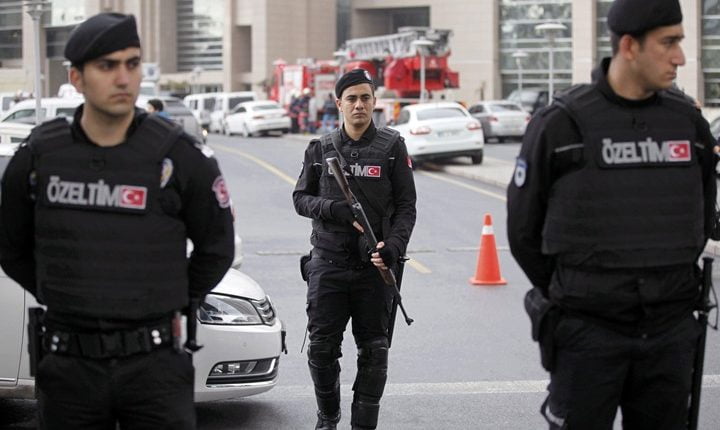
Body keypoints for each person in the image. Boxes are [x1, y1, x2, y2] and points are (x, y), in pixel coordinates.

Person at [0, 13, 235, 429]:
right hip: (69, 366)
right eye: (107, 66)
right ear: (76, 77)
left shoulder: (179, 157)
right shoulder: (39, 156)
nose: (124, 78)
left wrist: (163, 296)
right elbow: (9, 246)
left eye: (132, 63)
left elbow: (216, 248)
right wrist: (66, 291)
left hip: (155, 367)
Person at [507, 0, 717, 429]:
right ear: (629, 46)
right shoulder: (560, 125)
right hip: (587, 334)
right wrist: (578, 293)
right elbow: (523, 233)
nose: (680, 57)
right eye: (668, 43)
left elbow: (700, 220)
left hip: (670, 333)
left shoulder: (688, 124)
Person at [293, 68, 417, 430]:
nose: (359, 104)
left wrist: (393, 247)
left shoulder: (392, 147)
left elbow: (406, 207)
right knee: (321, 349)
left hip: (374, 269)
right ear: (339, 103)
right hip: (328, 265)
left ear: (374, 101)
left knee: (375, 352)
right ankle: (328, 418)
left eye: (365, 97)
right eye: (351, 98)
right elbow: (300, 199)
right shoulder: (320, 149)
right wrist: (334, 209)